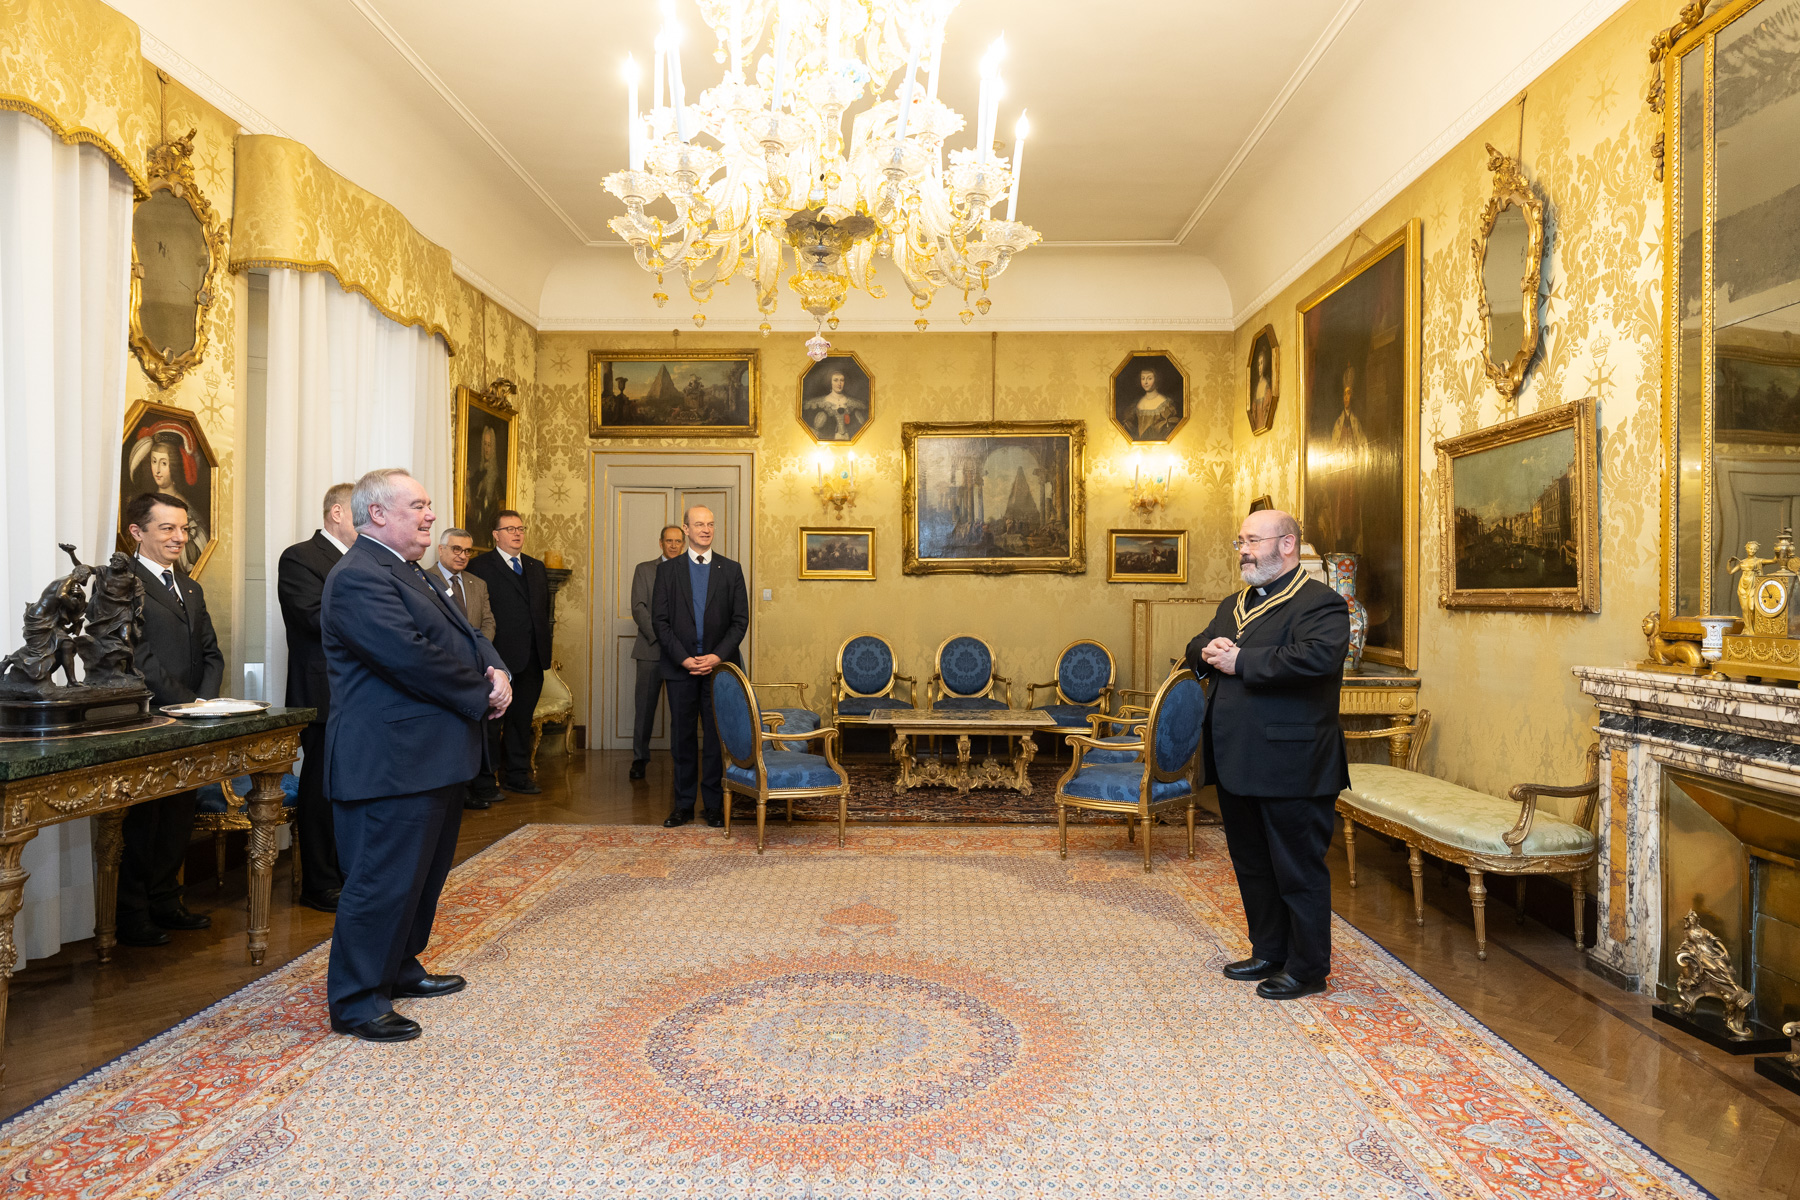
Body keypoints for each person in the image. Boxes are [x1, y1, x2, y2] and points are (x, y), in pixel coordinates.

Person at [320, 468, 511, 1043]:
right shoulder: (357, 577)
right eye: (419, 506)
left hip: (431, 756)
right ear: (377, 514)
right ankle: (356, 1001)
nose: (431, 516)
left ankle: (398, 968)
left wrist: (496, 667)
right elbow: (409, 657)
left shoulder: (410, 571)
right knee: (381, 882)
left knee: (420, 878)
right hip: (390, 761)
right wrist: (483, 692)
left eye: (428, 505)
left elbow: (469, 633)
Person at [1185, 508, 1350, 1001]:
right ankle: (1269, 950)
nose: (1243, 550)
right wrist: (1205, 650)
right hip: (1236, 758)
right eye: (1240, 540)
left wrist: (1241, 660)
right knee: (1253, 864)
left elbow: (1318, 658)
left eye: (1253, 541)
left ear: (1287, 544)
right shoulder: (1235, 602)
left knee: (1296, 869)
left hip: (1292, 763)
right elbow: (1196, 644)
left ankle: (1307, 968)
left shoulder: (1321, 603)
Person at [119, 492, 224, 947]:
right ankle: (134, 915)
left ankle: (167, 901)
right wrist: (185, 705)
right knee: (145, 822)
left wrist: (202, 704)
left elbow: (212, 653)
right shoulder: (121, 584)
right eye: (168, 529)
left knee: (179, 816)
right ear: (137, 533)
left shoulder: (192, 586)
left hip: (189, 722)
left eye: (184, 529)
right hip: (150, 720)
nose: (180, 537)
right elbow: (136, 658)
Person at [276, 482, 357, 912]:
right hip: (323, 691)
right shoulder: (300, 558)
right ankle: (318, 883)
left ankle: (348, 872)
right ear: (338, 512)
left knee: (352, 789)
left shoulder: (363, 560)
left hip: (362, 693)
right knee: (322, 789)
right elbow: (313, 617)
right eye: (361, 511)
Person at [651, 505, 748, 828]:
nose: (706, 529)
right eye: (699, 524)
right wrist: (684, 658)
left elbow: (739, 622)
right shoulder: (667, 571)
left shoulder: (731, 570)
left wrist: (716, 656)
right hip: (680, 669)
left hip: (718, 671)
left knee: (716, 740)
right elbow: (660, 622)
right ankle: (682, 805)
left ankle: (714, 806)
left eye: (711, 524)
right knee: (682, 739)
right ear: (686, 529)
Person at [466, 509, 552, 796]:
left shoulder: (535, 566)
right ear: (495, 535)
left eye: (521, 528)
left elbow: (542, 612)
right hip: (498, 659)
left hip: (532, 657)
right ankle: (487, 781)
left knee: (521, 720)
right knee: (492, 723)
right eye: (510, 529)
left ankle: (517, 775)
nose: (517, 533)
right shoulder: (479, 567)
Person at [432, 526, 500, 808]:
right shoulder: (424, 579)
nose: (462, 555)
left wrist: (478, 654)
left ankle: (474, 786)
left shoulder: (477, 583)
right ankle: (452, 791)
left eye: (467, 550)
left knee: (475, 730)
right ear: (441, 550)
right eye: (456, 549)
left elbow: (488, 623)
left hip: (476, 668)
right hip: (443, 669)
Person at [629, 524, 686, 780]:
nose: (673, 545)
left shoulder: (690, 569)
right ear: (660, 543)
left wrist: (677, 645)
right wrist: (661, 638)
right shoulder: (644, 569)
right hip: (651, 649)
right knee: (644, 709)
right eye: (669, 541)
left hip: (680, 653)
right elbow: (639, 608)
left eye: (678, 541)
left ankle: (681, 760)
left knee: (681, 711)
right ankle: (640, 758)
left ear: (683, 544)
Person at [803, 365, 868, 441]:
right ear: (830, 382)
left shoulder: (856, 404)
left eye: (842, 380)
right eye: (835, 380)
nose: (839, 383)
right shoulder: (815, 404)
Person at [1121, 364, 1180, 441]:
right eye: (1143, 378)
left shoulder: (1165, 404)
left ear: (1156, 379)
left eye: (1149, 378)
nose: (1145, 382)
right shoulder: (1137, 403)